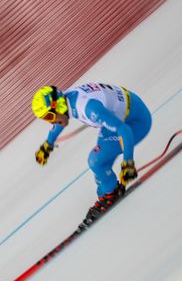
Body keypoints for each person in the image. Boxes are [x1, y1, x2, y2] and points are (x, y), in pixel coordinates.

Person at [31, 83, 152, 221]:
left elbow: (124, 130)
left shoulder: (88, 108)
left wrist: (128, 163)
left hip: (135, 123)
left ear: (58, 106)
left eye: (49, 117)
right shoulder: (68, 99)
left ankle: (111, 195)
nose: (50, 122)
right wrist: (48, 144)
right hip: (121, 115)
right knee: (102, 180)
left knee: (96, 161)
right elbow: (59, 121)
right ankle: (109, 194)